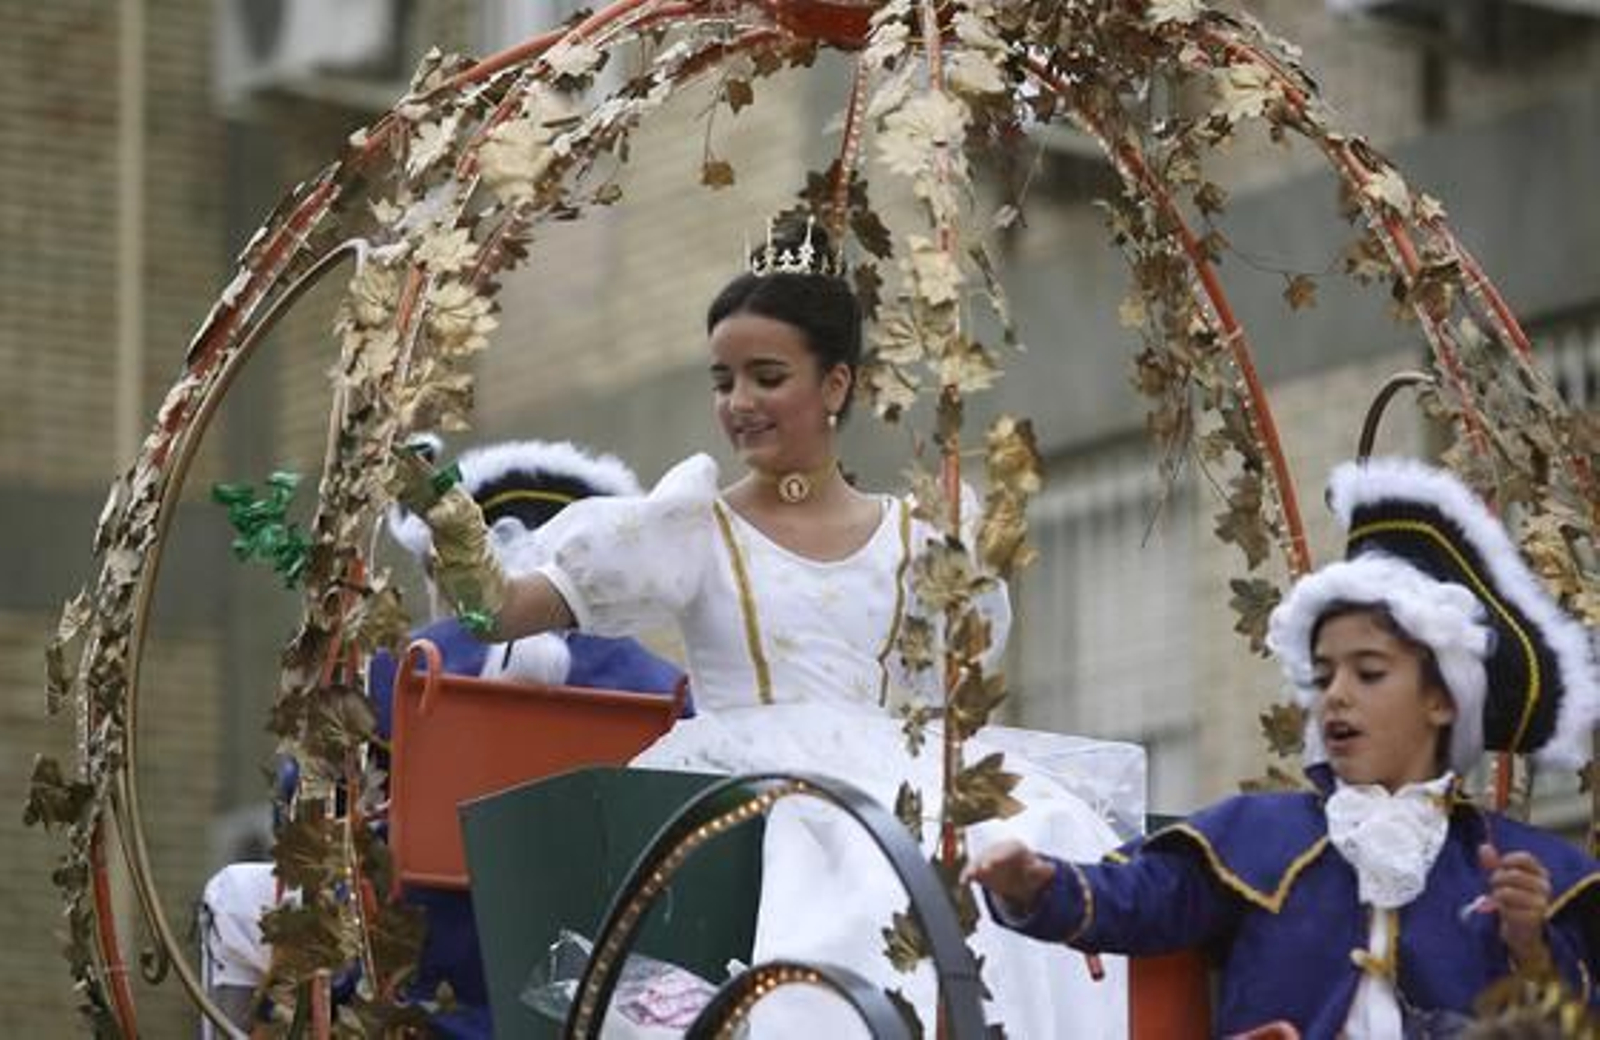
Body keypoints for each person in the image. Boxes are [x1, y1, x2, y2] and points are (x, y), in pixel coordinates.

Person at [401, 218, 1134, 1037]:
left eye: (767, 376)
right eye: (724, 380)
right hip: (747, 786)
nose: (739, 404)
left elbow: (960, 687)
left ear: (836, 386)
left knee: (1034, 835)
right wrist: (458, 537)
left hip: (901, 774)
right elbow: (500, 612)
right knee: (842, 891)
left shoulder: (923, 536)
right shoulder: (690, 526)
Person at [968, 457, 1600, 1039]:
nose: (1338, 697)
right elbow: (1137, 899)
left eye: (1370, 673)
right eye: (1323, 676)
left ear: (1443, 700)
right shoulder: (1255, 836)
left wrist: (1533, 947)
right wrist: (1037, 886)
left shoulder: (1517, 866)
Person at [201, 438, 686, 1039]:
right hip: (604, 995)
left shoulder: (400, 669)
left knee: (236, 898)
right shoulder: (668, 693)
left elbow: (300, 821)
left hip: (423, 990)